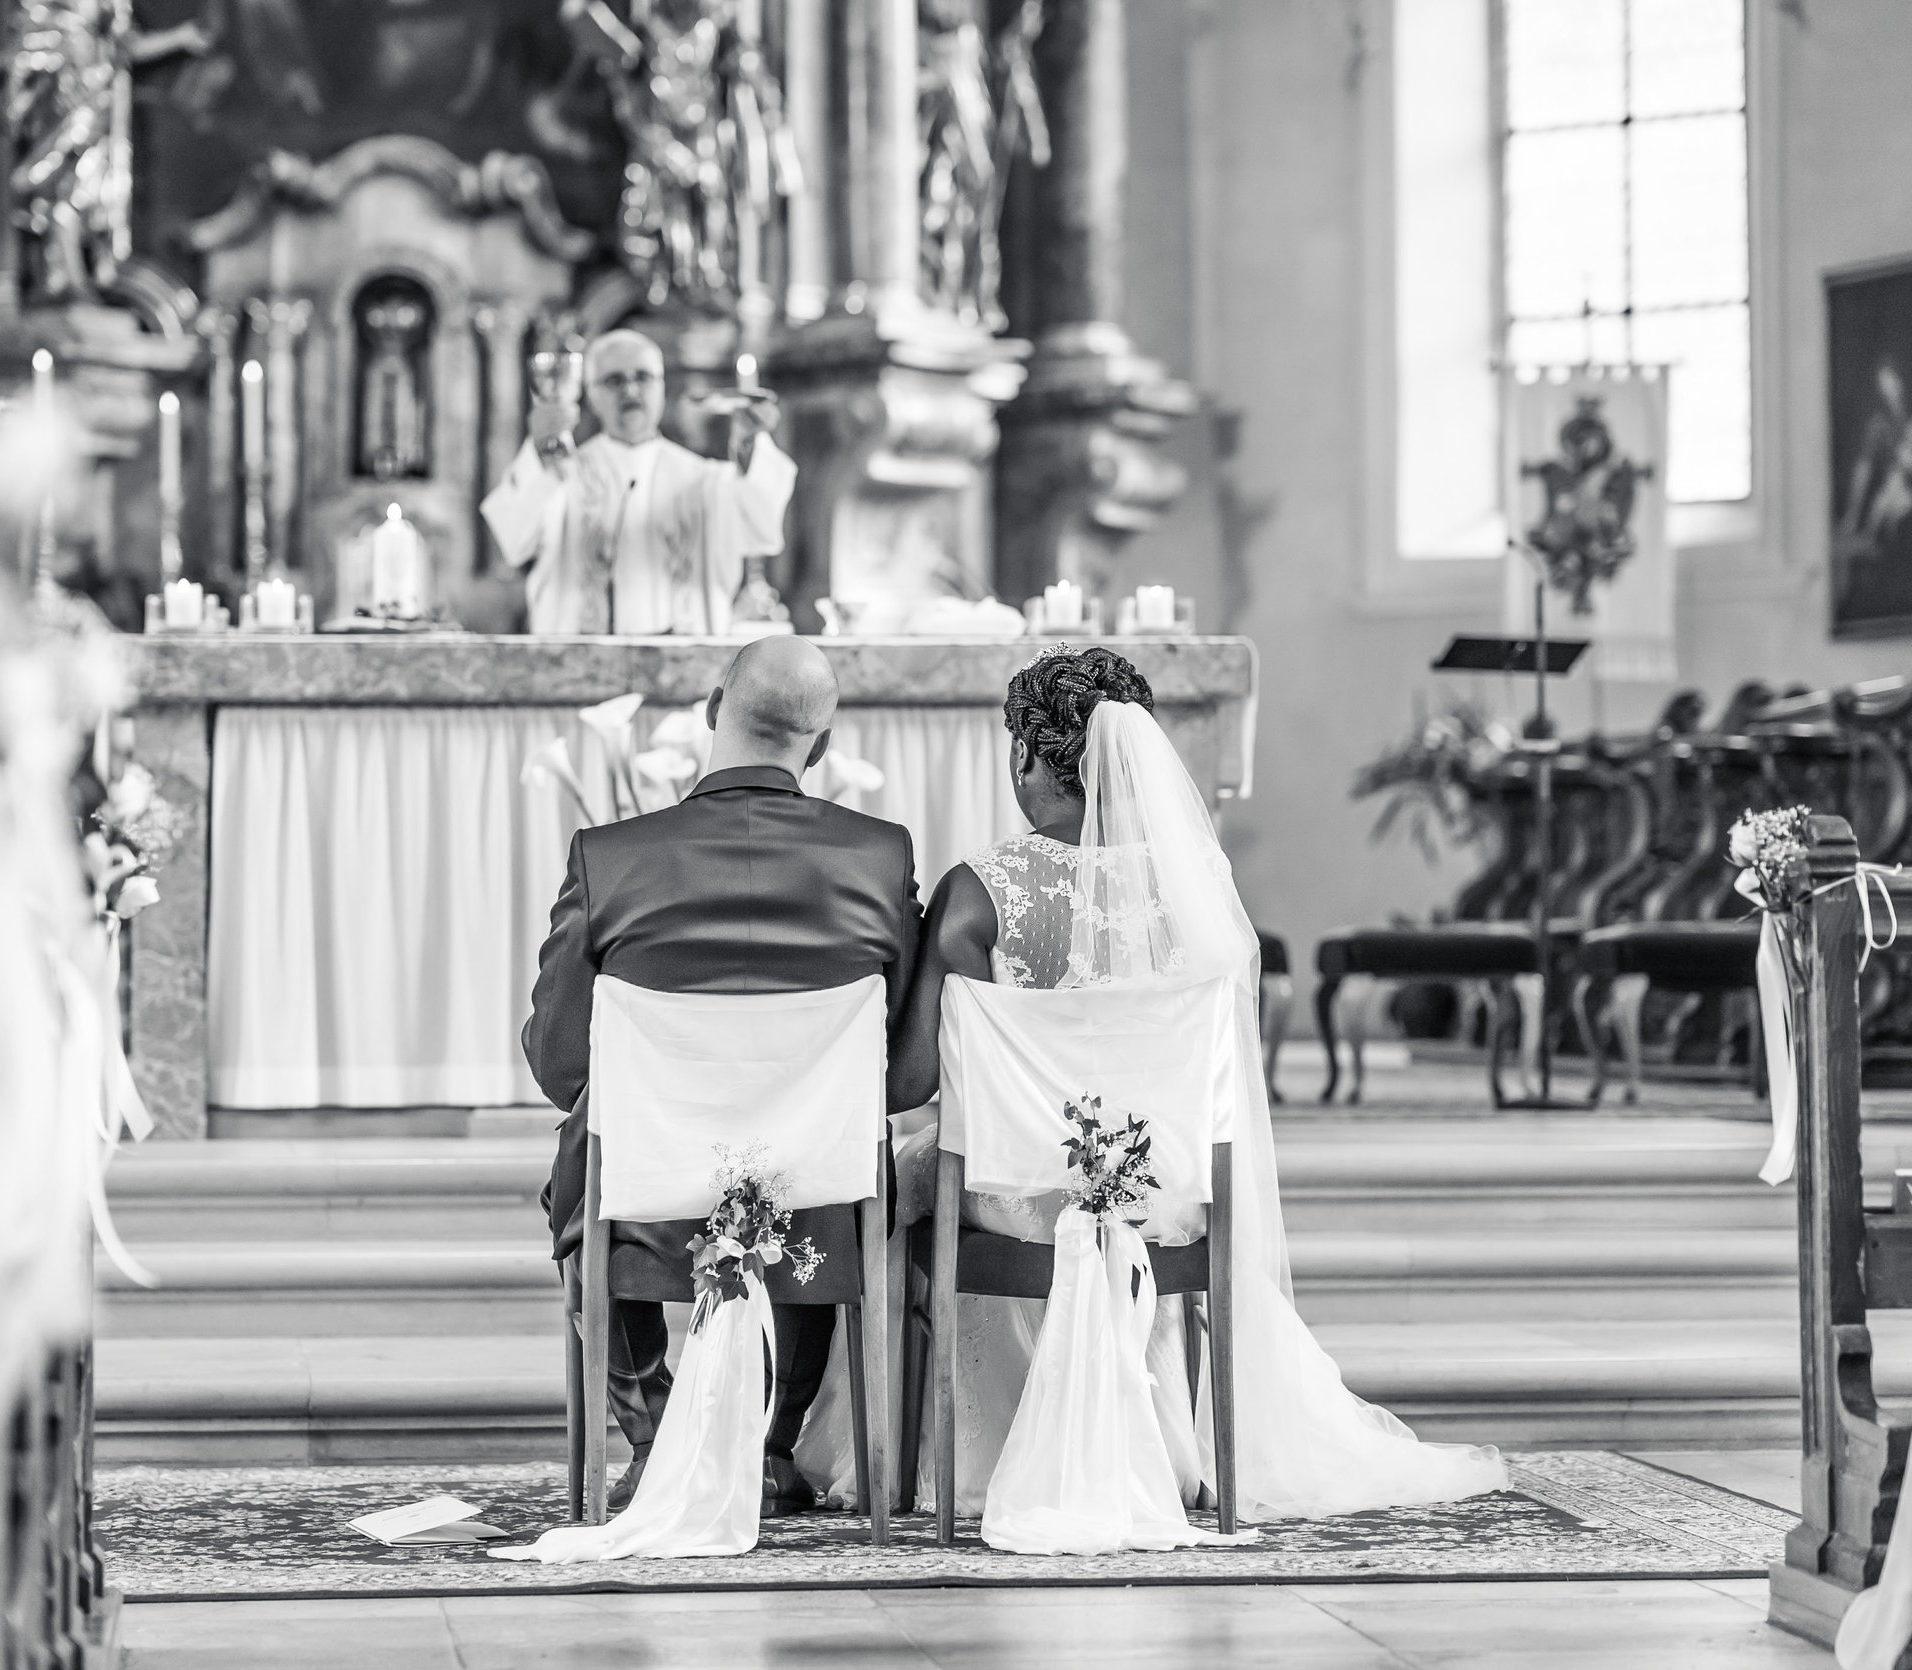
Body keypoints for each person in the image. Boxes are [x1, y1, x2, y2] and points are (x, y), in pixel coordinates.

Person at [874, 645, 1507, 1523]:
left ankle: (933, 1456)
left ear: (1027, 755)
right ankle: (1171, 1441)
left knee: (893, 1188)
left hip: (1017, 1198)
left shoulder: (977, 894)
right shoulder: (1197, 886)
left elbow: (909, 1082)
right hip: (1159, 1193)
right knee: (1117, 1188)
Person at [527, 635, 920, 1515]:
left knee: (581, 1153)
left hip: (646, 1203)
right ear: (818, 747)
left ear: (712, 709)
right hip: (819, 1202)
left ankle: (658, 1440)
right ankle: (773, 1449)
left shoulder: (610, 857)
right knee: (833, 1154)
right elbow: (894, 1073)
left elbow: (559, 1065)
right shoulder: (879, 856)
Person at [481, 328, 797, 635]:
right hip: (579, 673)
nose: (630, 391)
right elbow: (511, 542)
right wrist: (539, 450)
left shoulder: (704, 480)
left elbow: (762, 528)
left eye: (642, 377)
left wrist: (749, 445)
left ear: (661, 387)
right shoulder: (561, 475)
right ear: (590, 395)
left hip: (684, 675)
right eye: (614, 380)